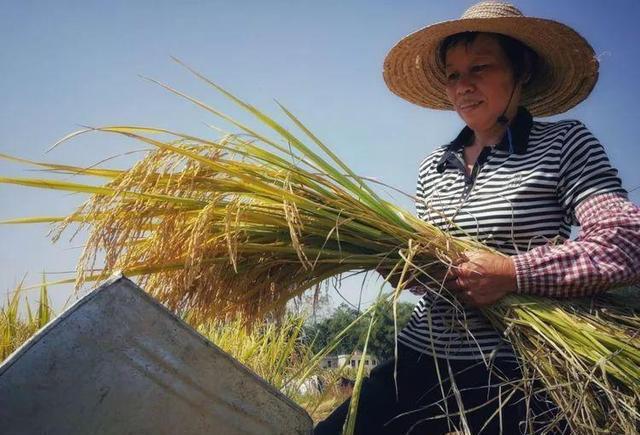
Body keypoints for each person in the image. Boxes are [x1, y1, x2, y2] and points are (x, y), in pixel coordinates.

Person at [314, 2, 640, 434]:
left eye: (480, 68)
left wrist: (513, 272)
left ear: (520, 71)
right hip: (423, 354)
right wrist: (404, 268)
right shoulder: (434, 166)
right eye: (453, 75)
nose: (463, 86)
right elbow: (434, 274)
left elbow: (624, 243)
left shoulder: (566, 143)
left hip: (517, 368)